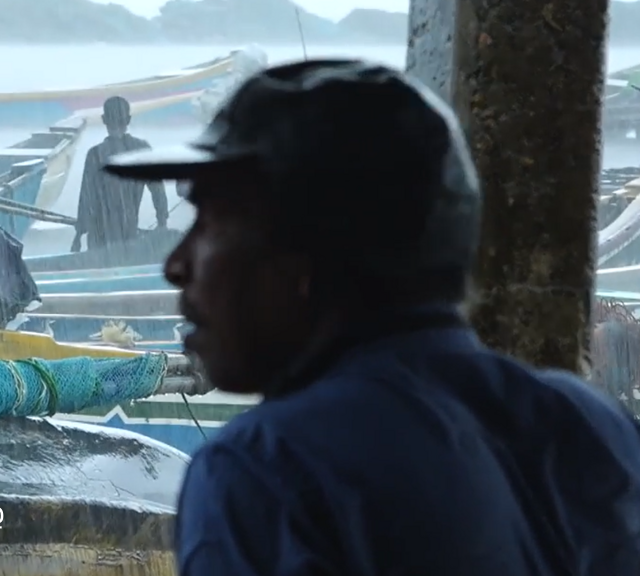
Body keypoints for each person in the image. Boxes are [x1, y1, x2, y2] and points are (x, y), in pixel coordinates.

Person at [104, 60, 640, 576]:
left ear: (309, 254)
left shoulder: (266, 472)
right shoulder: (590, 425)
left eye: (210, 223)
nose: (177, 264)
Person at [72, 96, 168, 252]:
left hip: (99, 239)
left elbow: (86, 199)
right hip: (128, 234)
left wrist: (78, 234)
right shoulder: (141, 149)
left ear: (104, 119)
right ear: (128, 120)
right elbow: (158, 190)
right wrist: (162, 222)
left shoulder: (95, 155)